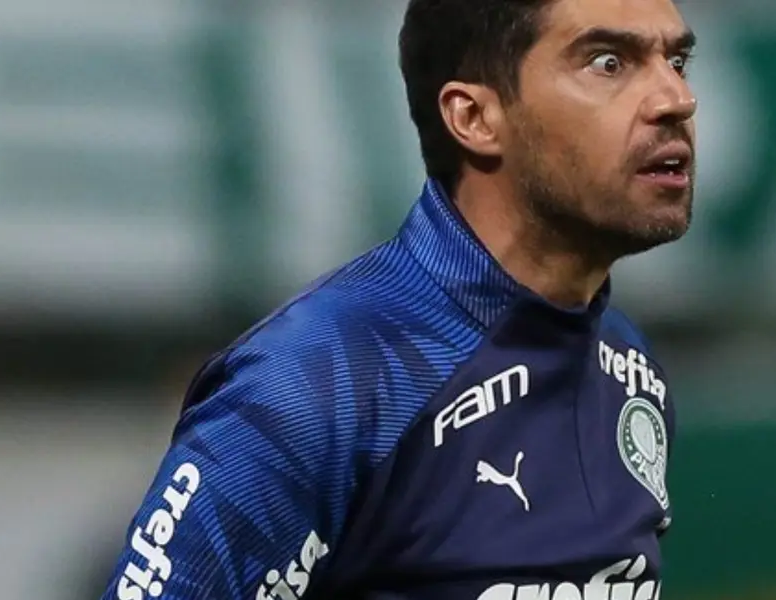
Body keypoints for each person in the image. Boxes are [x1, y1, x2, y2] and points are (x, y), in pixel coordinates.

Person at [101, 0, 697, 596]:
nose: (676, 99)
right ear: (475, 118)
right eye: (609, 62)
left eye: (677, 60)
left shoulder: (627, 365)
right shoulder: (315, 381)